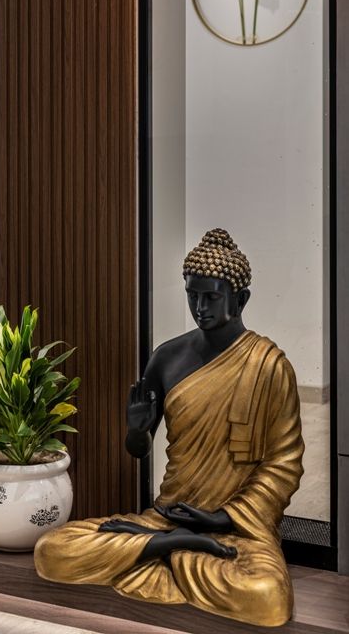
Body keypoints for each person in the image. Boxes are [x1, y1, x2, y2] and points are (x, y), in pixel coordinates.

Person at [34, 229, 304, 627]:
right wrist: (136, 431)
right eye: (192, 296)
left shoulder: (269, 366)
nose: (200, 307)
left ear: (240, 298)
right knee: (51, 549)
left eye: (211, 297)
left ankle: (158, 552)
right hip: (166, 518)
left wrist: (225, 518)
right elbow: (138, 450)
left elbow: (285, 462)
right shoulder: (167, 358)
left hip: (234, 527)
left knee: (266, 597)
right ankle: (174, 545)